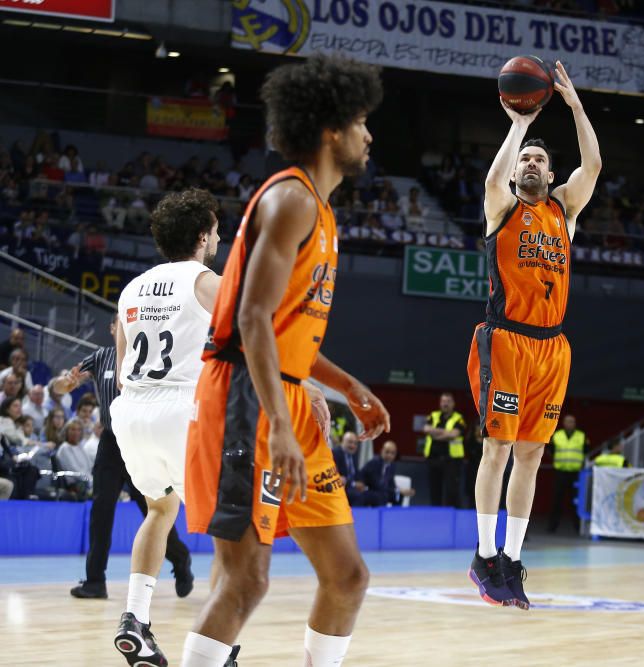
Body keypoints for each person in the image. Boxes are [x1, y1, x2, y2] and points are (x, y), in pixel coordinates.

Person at [182, 55, 389, 667]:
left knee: (347, 575)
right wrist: (280, 428)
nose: (368, 135)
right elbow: (250, 321)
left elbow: (285, 333)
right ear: (330, 131)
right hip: (246, 398)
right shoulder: (291, 200)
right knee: (244, 580)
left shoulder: (322, 212)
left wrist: (349, 386)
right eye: (359, 122)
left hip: (288, 396)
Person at [468, 60, 600, 611]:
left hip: (553, 348)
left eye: (539, 160)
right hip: (506, 338)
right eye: (525, 158)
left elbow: (592, 165)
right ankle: (483, 555)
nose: (530, 164)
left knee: (530, 455)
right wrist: (517, 124)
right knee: (497, 448)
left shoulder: (563, 211)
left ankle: (512, 560)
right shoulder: (502, 207)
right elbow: (493, 179)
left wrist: (574, 106)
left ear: (550, 176)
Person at [107, 189, 223, 666]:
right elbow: (255, 333)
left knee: (159, 510)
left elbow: (118, 366)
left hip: (131, 410)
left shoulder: (131, 289)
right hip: (181, 408)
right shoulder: (207, 281)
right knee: (228, 528)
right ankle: (222, 645)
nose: (218, 237)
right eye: (215, 230)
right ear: (202, 236)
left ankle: (135, 618)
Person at [60, 316, 192, 601]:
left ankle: (181, 561)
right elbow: (63, 384)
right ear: (112, 329)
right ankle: (95, 581)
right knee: (101, 511)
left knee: (153, 513)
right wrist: (64, 382)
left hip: (140, 439)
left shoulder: (153, 355)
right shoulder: (101, 357)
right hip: (110, 441)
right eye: (119, 324)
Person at [421, 392, 465, 507]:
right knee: (434, 489)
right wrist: (446, 433)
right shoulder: (433, 415)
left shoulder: (458, 418)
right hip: (433, 459)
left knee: (452, 490)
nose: (445, 404)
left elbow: (454, 434)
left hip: (452, 461)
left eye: (448, 401)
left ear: (453, 404)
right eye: (443, 401)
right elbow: (426, 429)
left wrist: (435, 433)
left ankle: (452, 514)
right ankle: (436, 514)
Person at [547, 414, 588, 533]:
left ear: (575, 423)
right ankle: (552, 527)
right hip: (560, 472)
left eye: (572, 421)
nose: (570, 423)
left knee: (576, 501)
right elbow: (551, 450)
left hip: (575, 473)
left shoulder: (581, 436)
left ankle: (578, 528)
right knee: (556, 501)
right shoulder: (557, 435)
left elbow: (586, 451)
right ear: (563, 423)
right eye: (568, 421)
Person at [352, 440, 414, 506]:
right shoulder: (375, 462)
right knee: (381, 496)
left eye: (392, 453)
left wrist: (399, 491)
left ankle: (395, 514)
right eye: (387, 452)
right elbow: (377, 484)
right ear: (381, 451)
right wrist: (398, 490)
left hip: (382, 491)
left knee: (398, 496)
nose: (389, 455)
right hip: (369, 490)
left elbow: (391, 483)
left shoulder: (392, 465)